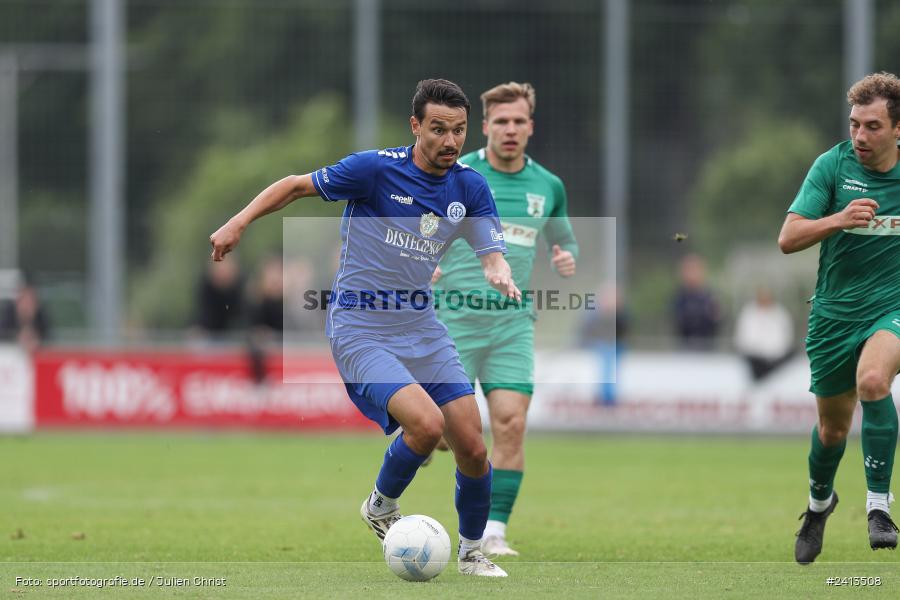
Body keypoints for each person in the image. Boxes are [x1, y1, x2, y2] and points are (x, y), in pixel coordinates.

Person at [209, 79, 520, 577]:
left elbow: (489, 246)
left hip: (421, 324)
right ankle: (380, 505)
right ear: (415, 126)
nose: (450, 141)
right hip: (360, 325)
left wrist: (496, 267)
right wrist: (237, 223)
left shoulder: (469, 185)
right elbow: (293, 185)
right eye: (438, 129)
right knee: (426, 424)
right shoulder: (374, 170)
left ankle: (471, 552)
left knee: (473, 443)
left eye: (459, 130)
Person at [430, 81, 578, 557]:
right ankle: (436, 438)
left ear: (530, 127)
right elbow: (423, 222)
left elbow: (565, 236)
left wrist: (564, 255)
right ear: (486, 127)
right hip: (453, 317)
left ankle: (492, 531)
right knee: (442, 432)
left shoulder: (548, 185)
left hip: (512, 321)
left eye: (518, 122)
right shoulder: (459, 172)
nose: (510, 130)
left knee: (510, 423)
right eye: (501, 122)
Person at [779, 72, 900, 564]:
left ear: (898, 129)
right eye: (854, 125)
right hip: (833, 314)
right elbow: (788, 238)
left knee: (874, 381)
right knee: (832, 431)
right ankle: (818, 504)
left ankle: (879, 507)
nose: (860, 136)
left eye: (872, 126)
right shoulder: (832, 166)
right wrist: (838, 219)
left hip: (891, 308)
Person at [733, 286, 794, 381]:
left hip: (776, 359)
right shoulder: (749, 312)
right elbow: (744, 338)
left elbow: (785, 337)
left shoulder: (780, 313)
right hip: (754, 357)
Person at [671, 254, 721, 349]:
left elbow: (716, 321)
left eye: (695, 269)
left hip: (708, 348)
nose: (692, 274)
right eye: (688, 270)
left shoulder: (710, 296)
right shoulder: (679, 297)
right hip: (685, 348)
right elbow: (679, 322)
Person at [0, 279, 50, 353]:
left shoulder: (41, 315)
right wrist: (16, 338)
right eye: (25, 300)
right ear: (18, 302)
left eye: (30, 301)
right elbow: (3, 334)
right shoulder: (9, 313)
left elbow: (49, 336)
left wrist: (36, 339)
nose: (27, 305)